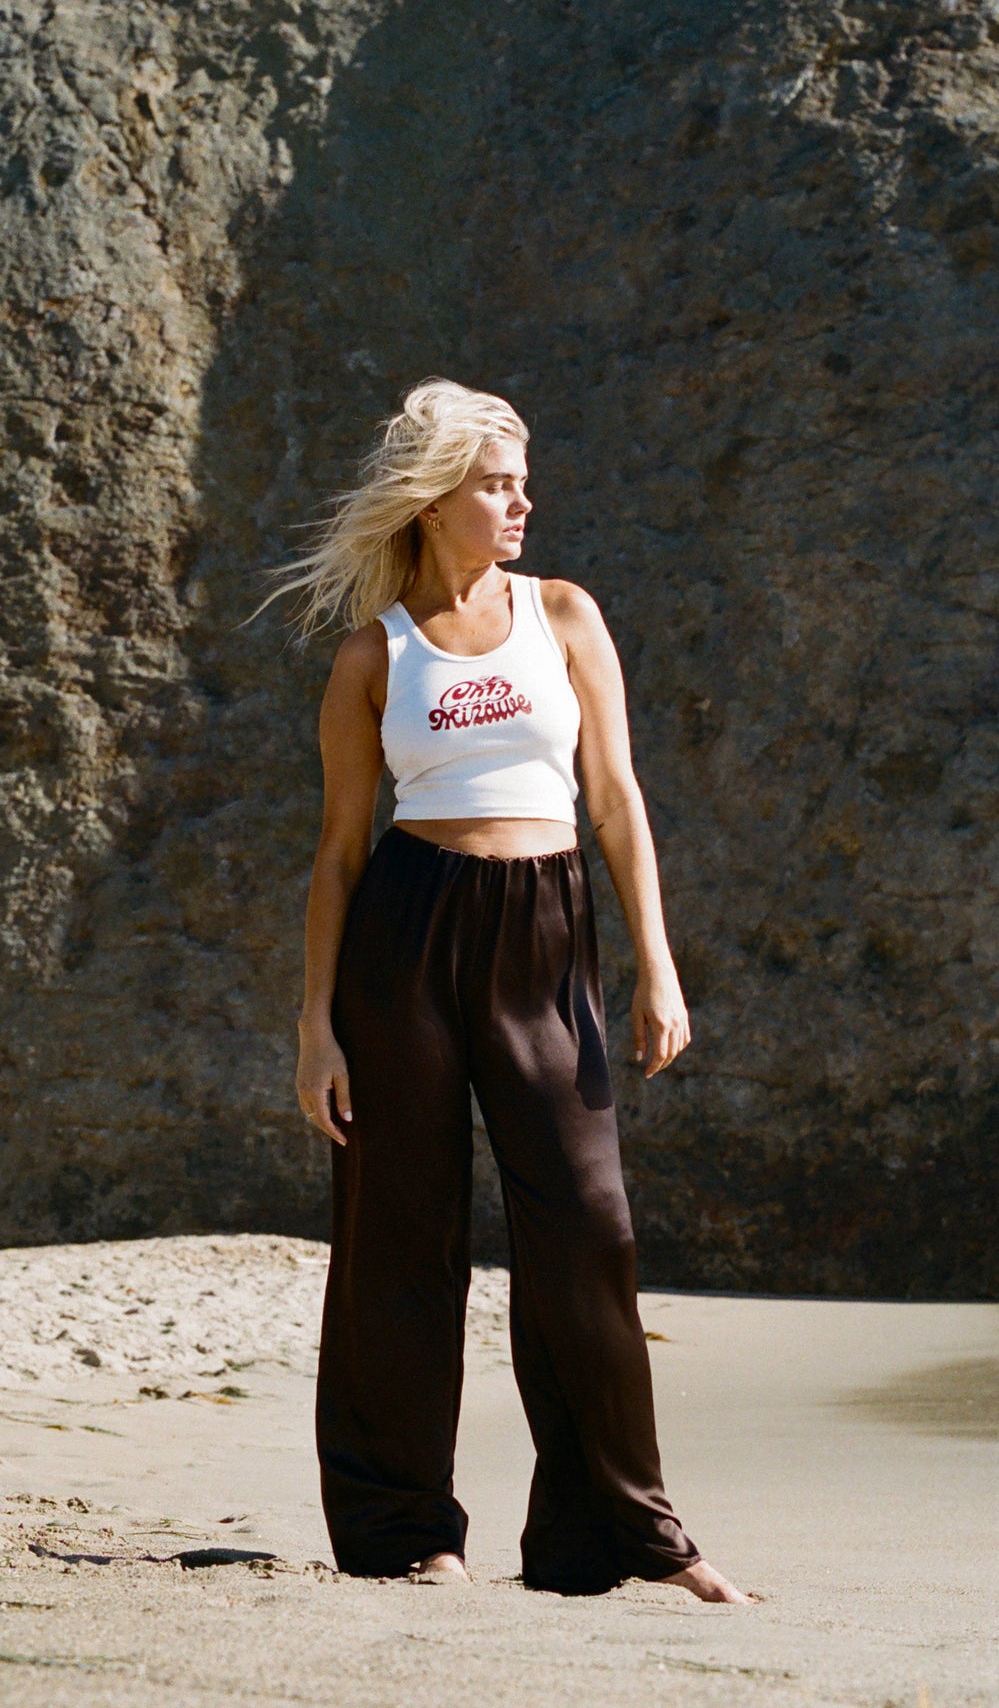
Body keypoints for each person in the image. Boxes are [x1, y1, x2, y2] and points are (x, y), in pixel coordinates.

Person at [277, 378, 747, 1601]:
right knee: (399, 1238)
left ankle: (618, 1535)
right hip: (407, 938)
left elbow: (615, 801)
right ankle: (402, 1532)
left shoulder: (565, 614)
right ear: (436, 500)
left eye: (521, 477)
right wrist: (315, 1025)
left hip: (546, 935)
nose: (521, 498)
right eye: (496, 481)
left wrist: (657, 960)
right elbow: (336, 854)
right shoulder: (371, 655)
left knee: (586, 1230)